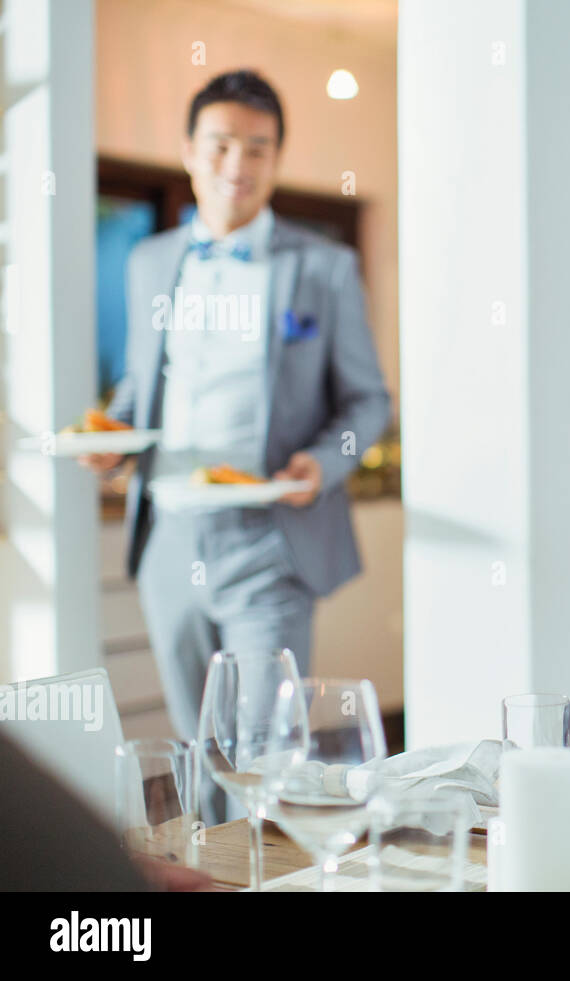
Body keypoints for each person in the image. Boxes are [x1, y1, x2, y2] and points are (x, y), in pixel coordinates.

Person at [80, 70, 391, 763]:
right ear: (189, 150)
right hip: (167, 535)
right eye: (220, 146)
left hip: (268, 539)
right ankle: (215, 873)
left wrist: (327, 461)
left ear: (278, 157)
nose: (237, 166)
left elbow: (369, 400)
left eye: (258, 148)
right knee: (200, 745)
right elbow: (142, 383)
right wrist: (114, 437)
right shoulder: (149, 262)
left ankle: (264, 869)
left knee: (263, 746)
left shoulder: (325, 267)